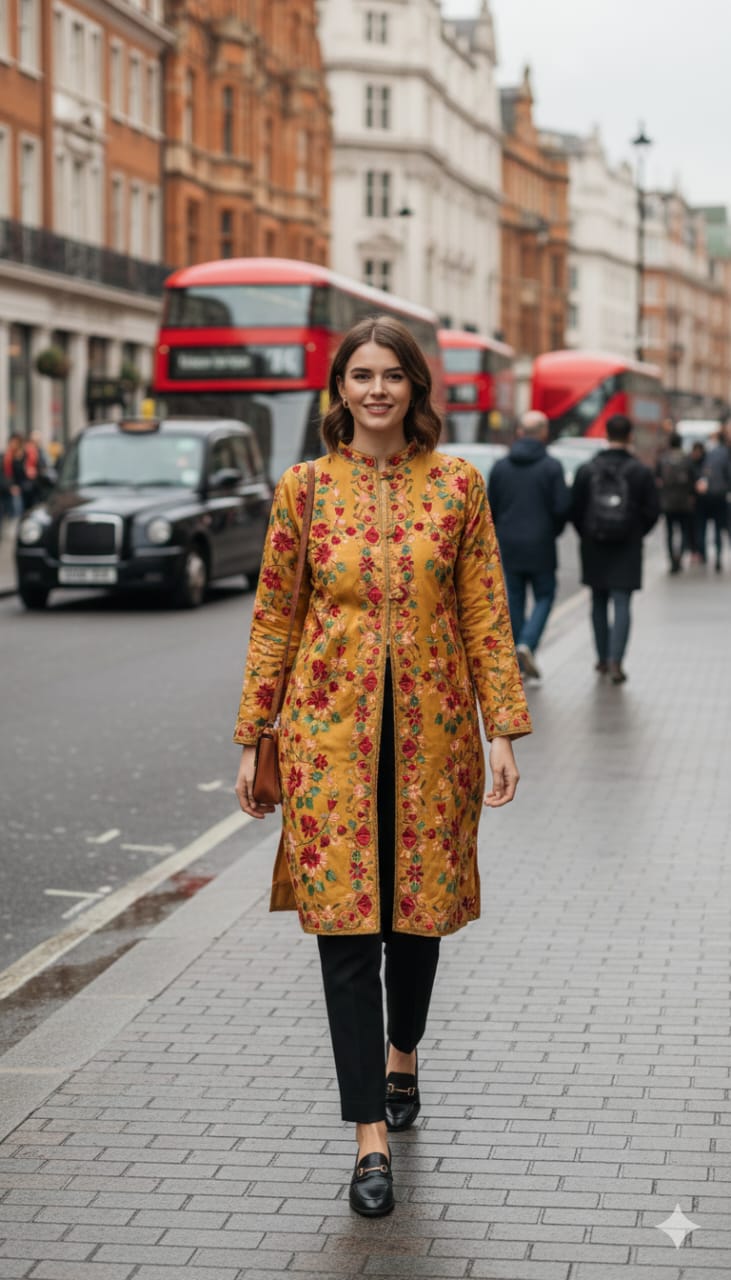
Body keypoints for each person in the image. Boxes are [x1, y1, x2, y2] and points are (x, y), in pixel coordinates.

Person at [233, 316, 531, 1217]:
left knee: (416, 922)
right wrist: (256, 736)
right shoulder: (304, 492)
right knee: (346, 934)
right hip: (328, 743)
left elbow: (484, 611)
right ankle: (367, 1137)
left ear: (414, 388)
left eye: (390, 375)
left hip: (433, 741)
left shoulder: (457, 488)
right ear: (338, 390)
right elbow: (275, 617)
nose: (374, 390)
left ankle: (404, 1055)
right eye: (359, 375)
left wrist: (501, 730)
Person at [571, 414, 659, 684]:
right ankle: (616, 662)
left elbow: (575, 509)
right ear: (630, 436)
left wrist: (588, 533)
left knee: (597, 601)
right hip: (627, 546)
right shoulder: (641, 471)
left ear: (606, 435)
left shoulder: (587, 469)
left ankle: (600, 658)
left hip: (594, 544)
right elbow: (653, 512)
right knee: (622, 602)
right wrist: (634, 533)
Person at [487, 409, 571, 680]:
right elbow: (562, 507)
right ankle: (527, 644)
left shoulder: (501, 466)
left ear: (520, 433)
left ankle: (519, 658)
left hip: (509, 542)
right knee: (545, 594)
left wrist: (502, 531)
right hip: (541, 541)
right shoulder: (551, 466)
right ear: (544, 433)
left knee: (515, 596)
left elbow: (492, 507)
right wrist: (551, 530)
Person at [655, 431, 695, 573]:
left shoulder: (663, 459)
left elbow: (657, 479)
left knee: (670, 532)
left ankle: (672, 559)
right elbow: (693, 479)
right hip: (684, 501)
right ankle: (680, 556)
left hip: (668, 502)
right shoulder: (687, 459)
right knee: (684, 531)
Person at [699, 426, 731, 573]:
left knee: (705, 527)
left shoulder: (710, 452)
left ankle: (703, 554)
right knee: (719, 527)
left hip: (707, 494)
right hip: (720, 495)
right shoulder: (724, 454)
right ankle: (717, 556)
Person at [689, 440, 708, 561]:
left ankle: (701, 551)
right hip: (694, 500)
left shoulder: (705, 463)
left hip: (703, 500)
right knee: (695, 527)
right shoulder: (691, 463)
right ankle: (696, 551)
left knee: (701, 527)